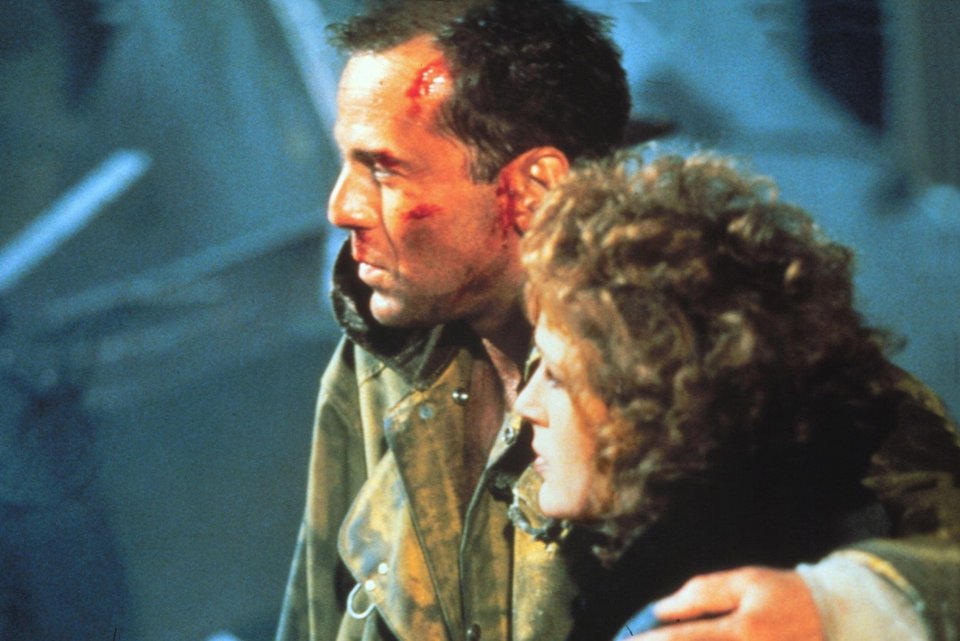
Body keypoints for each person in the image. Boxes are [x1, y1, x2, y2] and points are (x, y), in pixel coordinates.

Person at [275, 2, 960, 640]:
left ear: (533, 185)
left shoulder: (720, 340)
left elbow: (932, 552)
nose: (342, 208)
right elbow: (317, 613)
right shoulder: (381, 370)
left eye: (385, 170)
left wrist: (842, 603)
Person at [514, 153, 960, 641]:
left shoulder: (747, 613)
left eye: (556, 378)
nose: (525, 404)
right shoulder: (652, 567)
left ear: (658, 401)